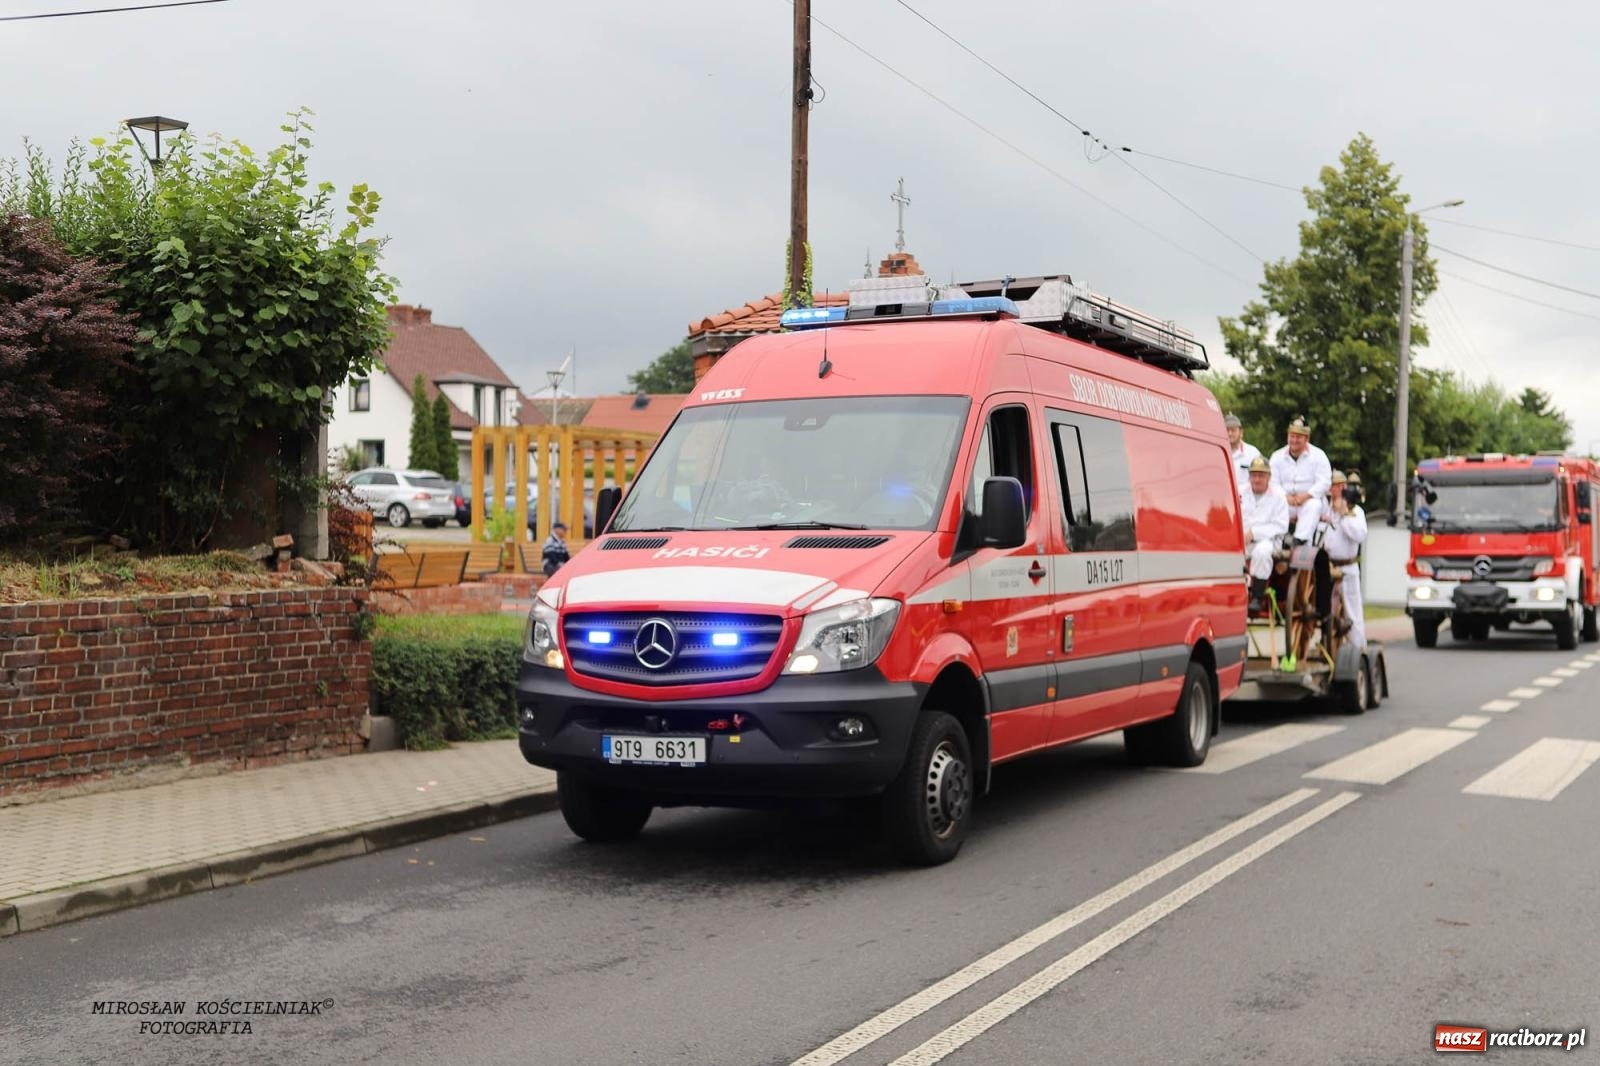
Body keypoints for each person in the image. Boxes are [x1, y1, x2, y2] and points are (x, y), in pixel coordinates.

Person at [1320, 470, 1369, 648]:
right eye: (1332, 487)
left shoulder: (1356, 511)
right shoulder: (1324, 509)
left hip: (1347, 567)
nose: (1334, 490)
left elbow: (1360, 535)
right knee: (1326, 610)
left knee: (1352, 611)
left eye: (1338, 487)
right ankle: (1327, 645)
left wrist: (1344, 515)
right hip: (1328, 567)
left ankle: (1358, 649)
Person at [1269, 416, 1332, 543]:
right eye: (1292, 436)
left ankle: (1300, 541)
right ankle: (1275, 543)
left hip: (1308, 501)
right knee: (1271, 504)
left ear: (1307, 438)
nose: (1294, 440)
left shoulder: (1318, 456)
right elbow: (1272, 482)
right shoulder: (1277, 456)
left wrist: (1306, 496)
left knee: (1314, 505)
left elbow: (1325, 481)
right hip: (1285, 501)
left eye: (1298, 437)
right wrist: (1285, 497)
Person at [1240, 456, 1289, 613]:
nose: (1257, 479)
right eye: (1254, 475)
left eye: (1261, 475)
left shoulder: (1279, 495)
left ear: (1268, 477)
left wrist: (1254, 533)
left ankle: (1257, 597)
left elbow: (1281, 525)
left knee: (1262, 551)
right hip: (1242, 540)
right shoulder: (1240, 492)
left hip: (1268, 541)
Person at [1225, 414, 1262, 495]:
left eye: (1233, 430)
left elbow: (1261, 478)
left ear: (1241, 432)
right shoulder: (1219, 452)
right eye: (1227, 430)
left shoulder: (1253, 453)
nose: (1230, 433)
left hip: (1247, 499)